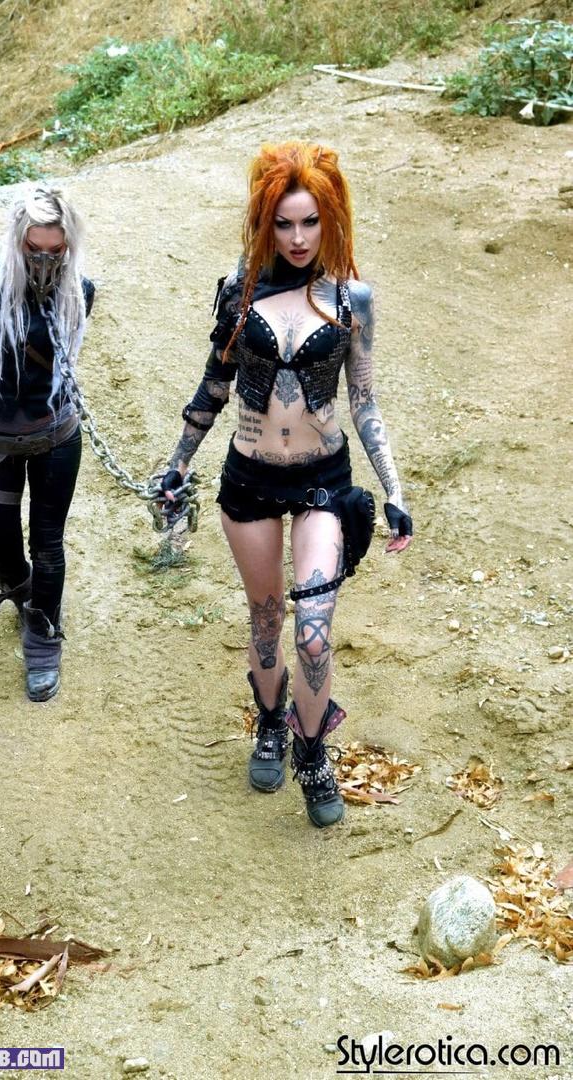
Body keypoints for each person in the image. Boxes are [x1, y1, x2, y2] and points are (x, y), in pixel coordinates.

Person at [158, 142, 413, 828]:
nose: (298, 238)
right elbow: (213, 386)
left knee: (314, 631)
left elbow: (364, 402)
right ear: (265, 224)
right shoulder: (239, 291)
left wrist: (393, 490)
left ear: (330, 219)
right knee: (268, 619)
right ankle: (270, 721)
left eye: (310, 222)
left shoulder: (351, 299)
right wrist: (178, 462)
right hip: (250, 478)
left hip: (323, 481)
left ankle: (312, 752)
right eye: (284, 224)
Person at [0, 183, 94, 702]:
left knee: (48, 542)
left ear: (68, 246)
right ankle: (22, 591)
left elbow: (66, 354)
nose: (43, 261)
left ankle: (43, 633)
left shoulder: (80, 290)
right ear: (17, 241)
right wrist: (3, 386)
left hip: (55, 434)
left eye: (55, 251)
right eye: (33, 249)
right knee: (2, 547)